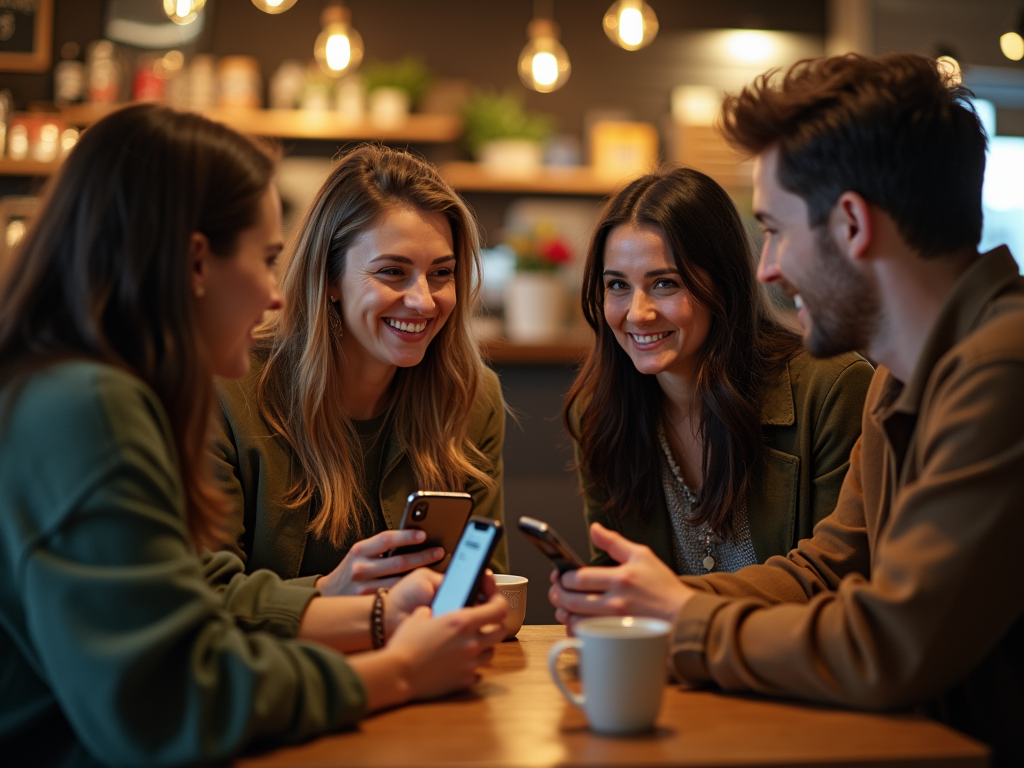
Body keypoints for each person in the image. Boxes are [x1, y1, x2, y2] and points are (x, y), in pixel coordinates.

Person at [550, 53, 1024, 765]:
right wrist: (654, 599)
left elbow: (887, 645)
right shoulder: (905, 375)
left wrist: (681, 620)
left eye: (775, 228)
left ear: (853, 225)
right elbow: (826, 571)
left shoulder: (1000, 369)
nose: (766, 267)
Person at [0, 104, 506, 766]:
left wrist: (381, 619)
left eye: (441, 274)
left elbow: (185, 637)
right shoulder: (90, 409)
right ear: (196, 263)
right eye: (268, 259)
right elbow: (178, 702)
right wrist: (400, 670)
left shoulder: (62, 389)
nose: (275, 294)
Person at [211, 144, 507, 595]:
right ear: (328, 277)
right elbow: (203, 597)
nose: (423, 301)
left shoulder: (471, 396)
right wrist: (327, 594)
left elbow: (484, 586)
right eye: (392, 272)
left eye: (441, 273)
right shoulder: (227, 388)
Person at [564, 166, 872, 575]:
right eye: (617, 285)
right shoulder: (599, 412)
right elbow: (614, 569)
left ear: (723, 284)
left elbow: (838, 578)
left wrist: (674, 601)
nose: (637, 313)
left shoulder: (833, 388)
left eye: (665, 284)